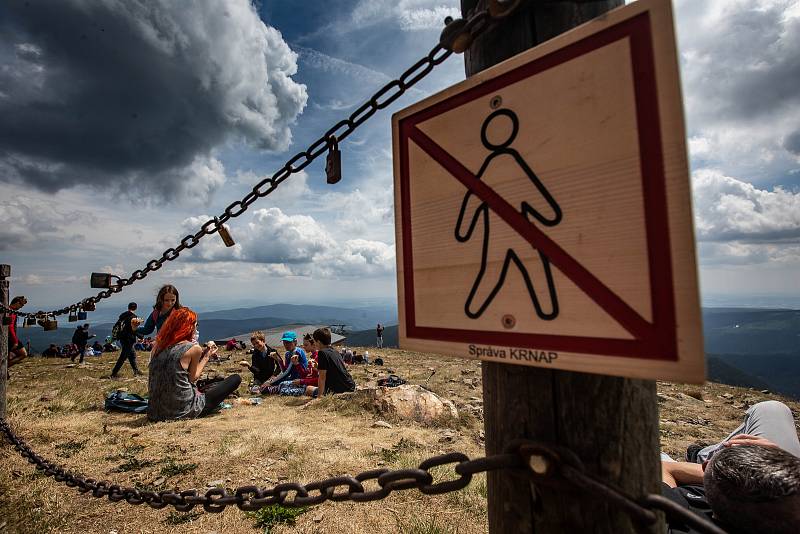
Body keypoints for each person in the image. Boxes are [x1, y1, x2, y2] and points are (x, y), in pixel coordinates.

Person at [661, 401, 800, 533]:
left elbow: (664, 467)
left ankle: (702, 455)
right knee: (772, 409)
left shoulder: (675, 512)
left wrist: (722, 475)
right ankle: (705, 455)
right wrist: (779, 464)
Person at [147, 307, 241, 421]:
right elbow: (193, 378)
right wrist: (206, 356)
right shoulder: (192, 348)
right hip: (183, 411)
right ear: (189, 326)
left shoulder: (158, 347)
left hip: (154, 412)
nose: (196, 329)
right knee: (235, 378)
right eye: (195, 325)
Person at [308, 327, 355, 397]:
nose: (314, 343)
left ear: (318, 342)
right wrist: (318, 367)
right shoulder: (335, 351)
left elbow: (322, 377)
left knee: (308, 389)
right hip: (350, 386)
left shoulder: (322, 353)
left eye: (314, 341)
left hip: (339, 390)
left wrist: (319, 397)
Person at [111, 302, 142, 378]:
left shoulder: (122, 316)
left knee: (132, 355)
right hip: (129, 338)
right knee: (123, 356)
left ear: (128, 307)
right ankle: (114, 373)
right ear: (135, 308)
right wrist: (140, 335)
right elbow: (133, 329)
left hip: (122, 337)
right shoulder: (133, 317)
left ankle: (136, 371)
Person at [6, 296, 28, 372]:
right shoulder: (11, 312)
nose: (21, 307)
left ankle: (4, 369)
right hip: (10, 337)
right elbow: (10, 327)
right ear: (17, 302)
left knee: (7, 356)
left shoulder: (8, 310)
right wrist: (15, 341)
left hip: (8, 337)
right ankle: (4, 368)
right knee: (23, 354)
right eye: (21, 305)